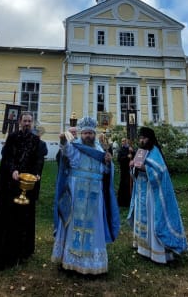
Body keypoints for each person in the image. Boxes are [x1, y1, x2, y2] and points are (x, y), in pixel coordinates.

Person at [51, 116, 120, 275]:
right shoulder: (76, 147)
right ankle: (71, 261)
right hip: (77, 192)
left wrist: (108, 163)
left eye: (90, 133)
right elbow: (66, 151)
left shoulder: (100, 149)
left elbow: (106, 172)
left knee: (94, 224)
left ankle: (92, 264)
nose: (88, 136)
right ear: (81, 134)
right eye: (85, 133)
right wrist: (62, 141)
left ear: (94, 134)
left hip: (95, 194)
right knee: (74, 223)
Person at [0, 112, 45, 271]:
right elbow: (7, 157)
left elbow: (38, 159)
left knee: (24, 218)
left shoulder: (35, 141)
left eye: (29, 121)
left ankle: (22, 251)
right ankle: (3, 253)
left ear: (32, 123)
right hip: (10, 185)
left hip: (27, 184)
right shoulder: (12, 137)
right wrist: (13, 170)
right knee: (7, 218)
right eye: (24, 121)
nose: (27, 124)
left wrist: (37, 172)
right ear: (20, 122)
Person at [127, 127, 188, 263]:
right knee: (142, 219)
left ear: (150, 138)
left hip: (152, 193)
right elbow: (136, 172)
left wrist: (142, 168)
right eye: (140, 138)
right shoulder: (141, 152)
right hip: (141, 190)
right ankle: (143, 248)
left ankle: (157, 252)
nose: (141, 140)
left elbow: (160, 172)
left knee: (152, 219)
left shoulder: (155, 152)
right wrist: (132, 166)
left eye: (144, 138)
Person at [117, 138, 134, 207]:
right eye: (122, 141)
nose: (123, 142)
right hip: (123, 170)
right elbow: (119, 159)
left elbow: (135, 156)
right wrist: (126, 157)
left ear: (127, 142)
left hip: (129, 169)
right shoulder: (121, 150)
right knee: (123, 184)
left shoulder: (130, 149)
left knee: (129, 184)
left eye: (124, 141)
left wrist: (132, 152)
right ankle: (122, 202)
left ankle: (129, 201)